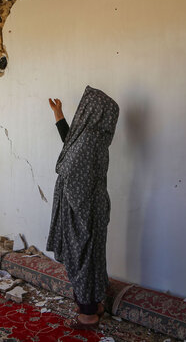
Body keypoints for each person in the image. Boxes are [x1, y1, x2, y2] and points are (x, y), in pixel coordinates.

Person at [47, 86, 120, 329]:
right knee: (92, 253)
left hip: (82, 208)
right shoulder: (96, 136)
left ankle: (88, 314)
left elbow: (69, 167)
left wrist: (63, 180)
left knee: (81, 256)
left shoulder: (89, 139)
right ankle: (96, 304)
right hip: (93, 205)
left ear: (92, 111)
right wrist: (59, 116)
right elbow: (71, 146)